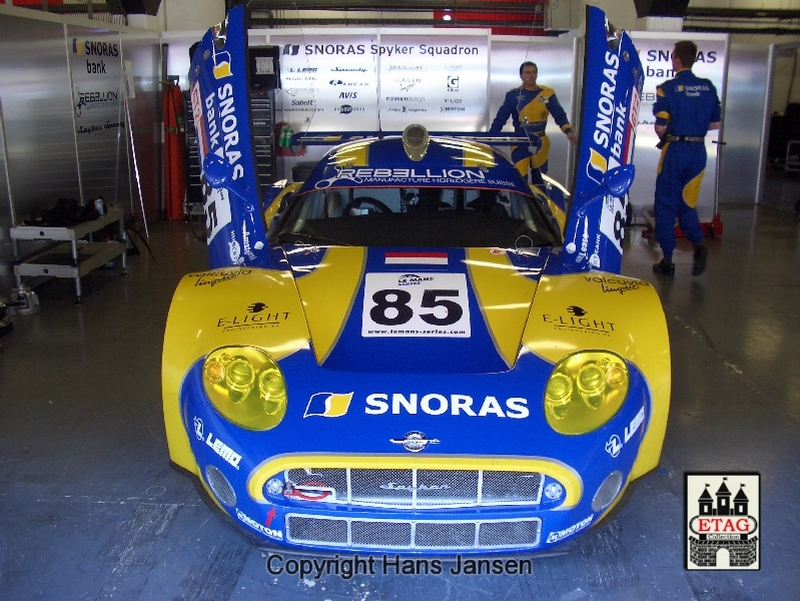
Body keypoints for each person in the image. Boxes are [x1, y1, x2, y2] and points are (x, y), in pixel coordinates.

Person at [652, 40, 721, 277]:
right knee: (687, 203)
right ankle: (698, 245)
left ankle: (667, 260)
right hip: (698, 152)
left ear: (677, 59)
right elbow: (716, 123)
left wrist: (675, 127)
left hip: (675, 151)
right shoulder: (708, 88)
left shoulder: (667, 88)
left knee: (666, 202)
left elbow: (661, 128)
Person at [490, 61, 577, 183]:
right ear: (521, 76)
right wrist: (491, 137)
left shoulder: (547, 93)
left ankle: (539, 202)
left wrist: (568, 131)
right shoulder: (513, 95)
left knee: (540, 180)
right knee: (520, 180)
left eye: (534, 72)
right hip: (520, 142)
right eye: (527, 73)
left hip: (540, 141)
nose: (531, 75)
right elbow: (501, 118)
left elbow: (559, 114)